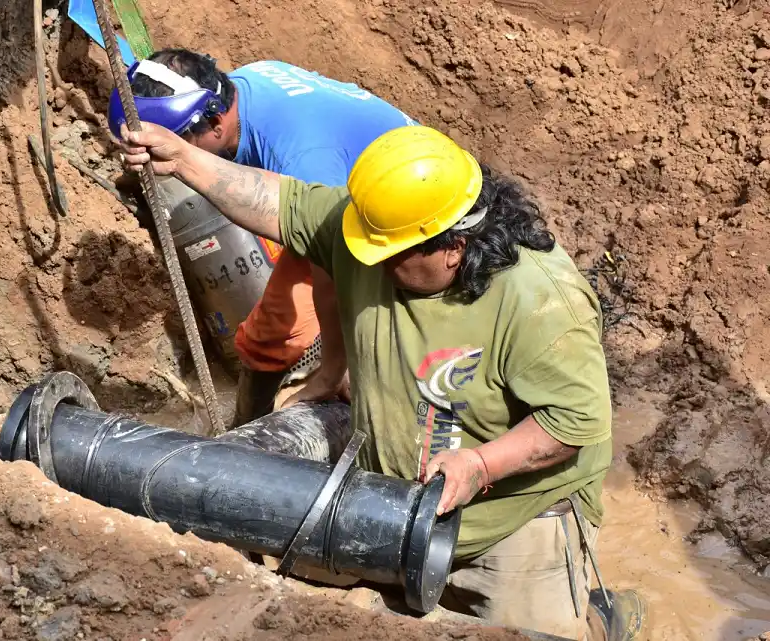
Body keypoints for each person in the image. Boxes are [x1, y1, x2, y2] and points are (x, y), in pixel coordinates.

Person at [116, 122, 647, 640]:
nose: (372, 261)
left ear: (454, 245)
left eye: (389, 255)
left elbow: (574, 421)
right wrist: (184, 160)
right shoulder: (376, 233)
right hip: (391, 495)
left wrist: (479, 464)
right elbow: (283, 204)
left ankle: (604, 618)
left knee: (526, 632)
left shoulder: (540, 299)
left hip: (513, 519)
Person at [110, 49, 416, 427]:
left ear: (216, 123)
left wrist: (336, 369)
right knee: (265, 336)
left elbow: (335, 270)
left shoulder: (305, 158)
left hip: (406, 225)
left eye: (178, 144)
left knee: (295, 341)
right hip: (358, 192)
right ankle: (246, 434)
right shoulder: (247, 81)